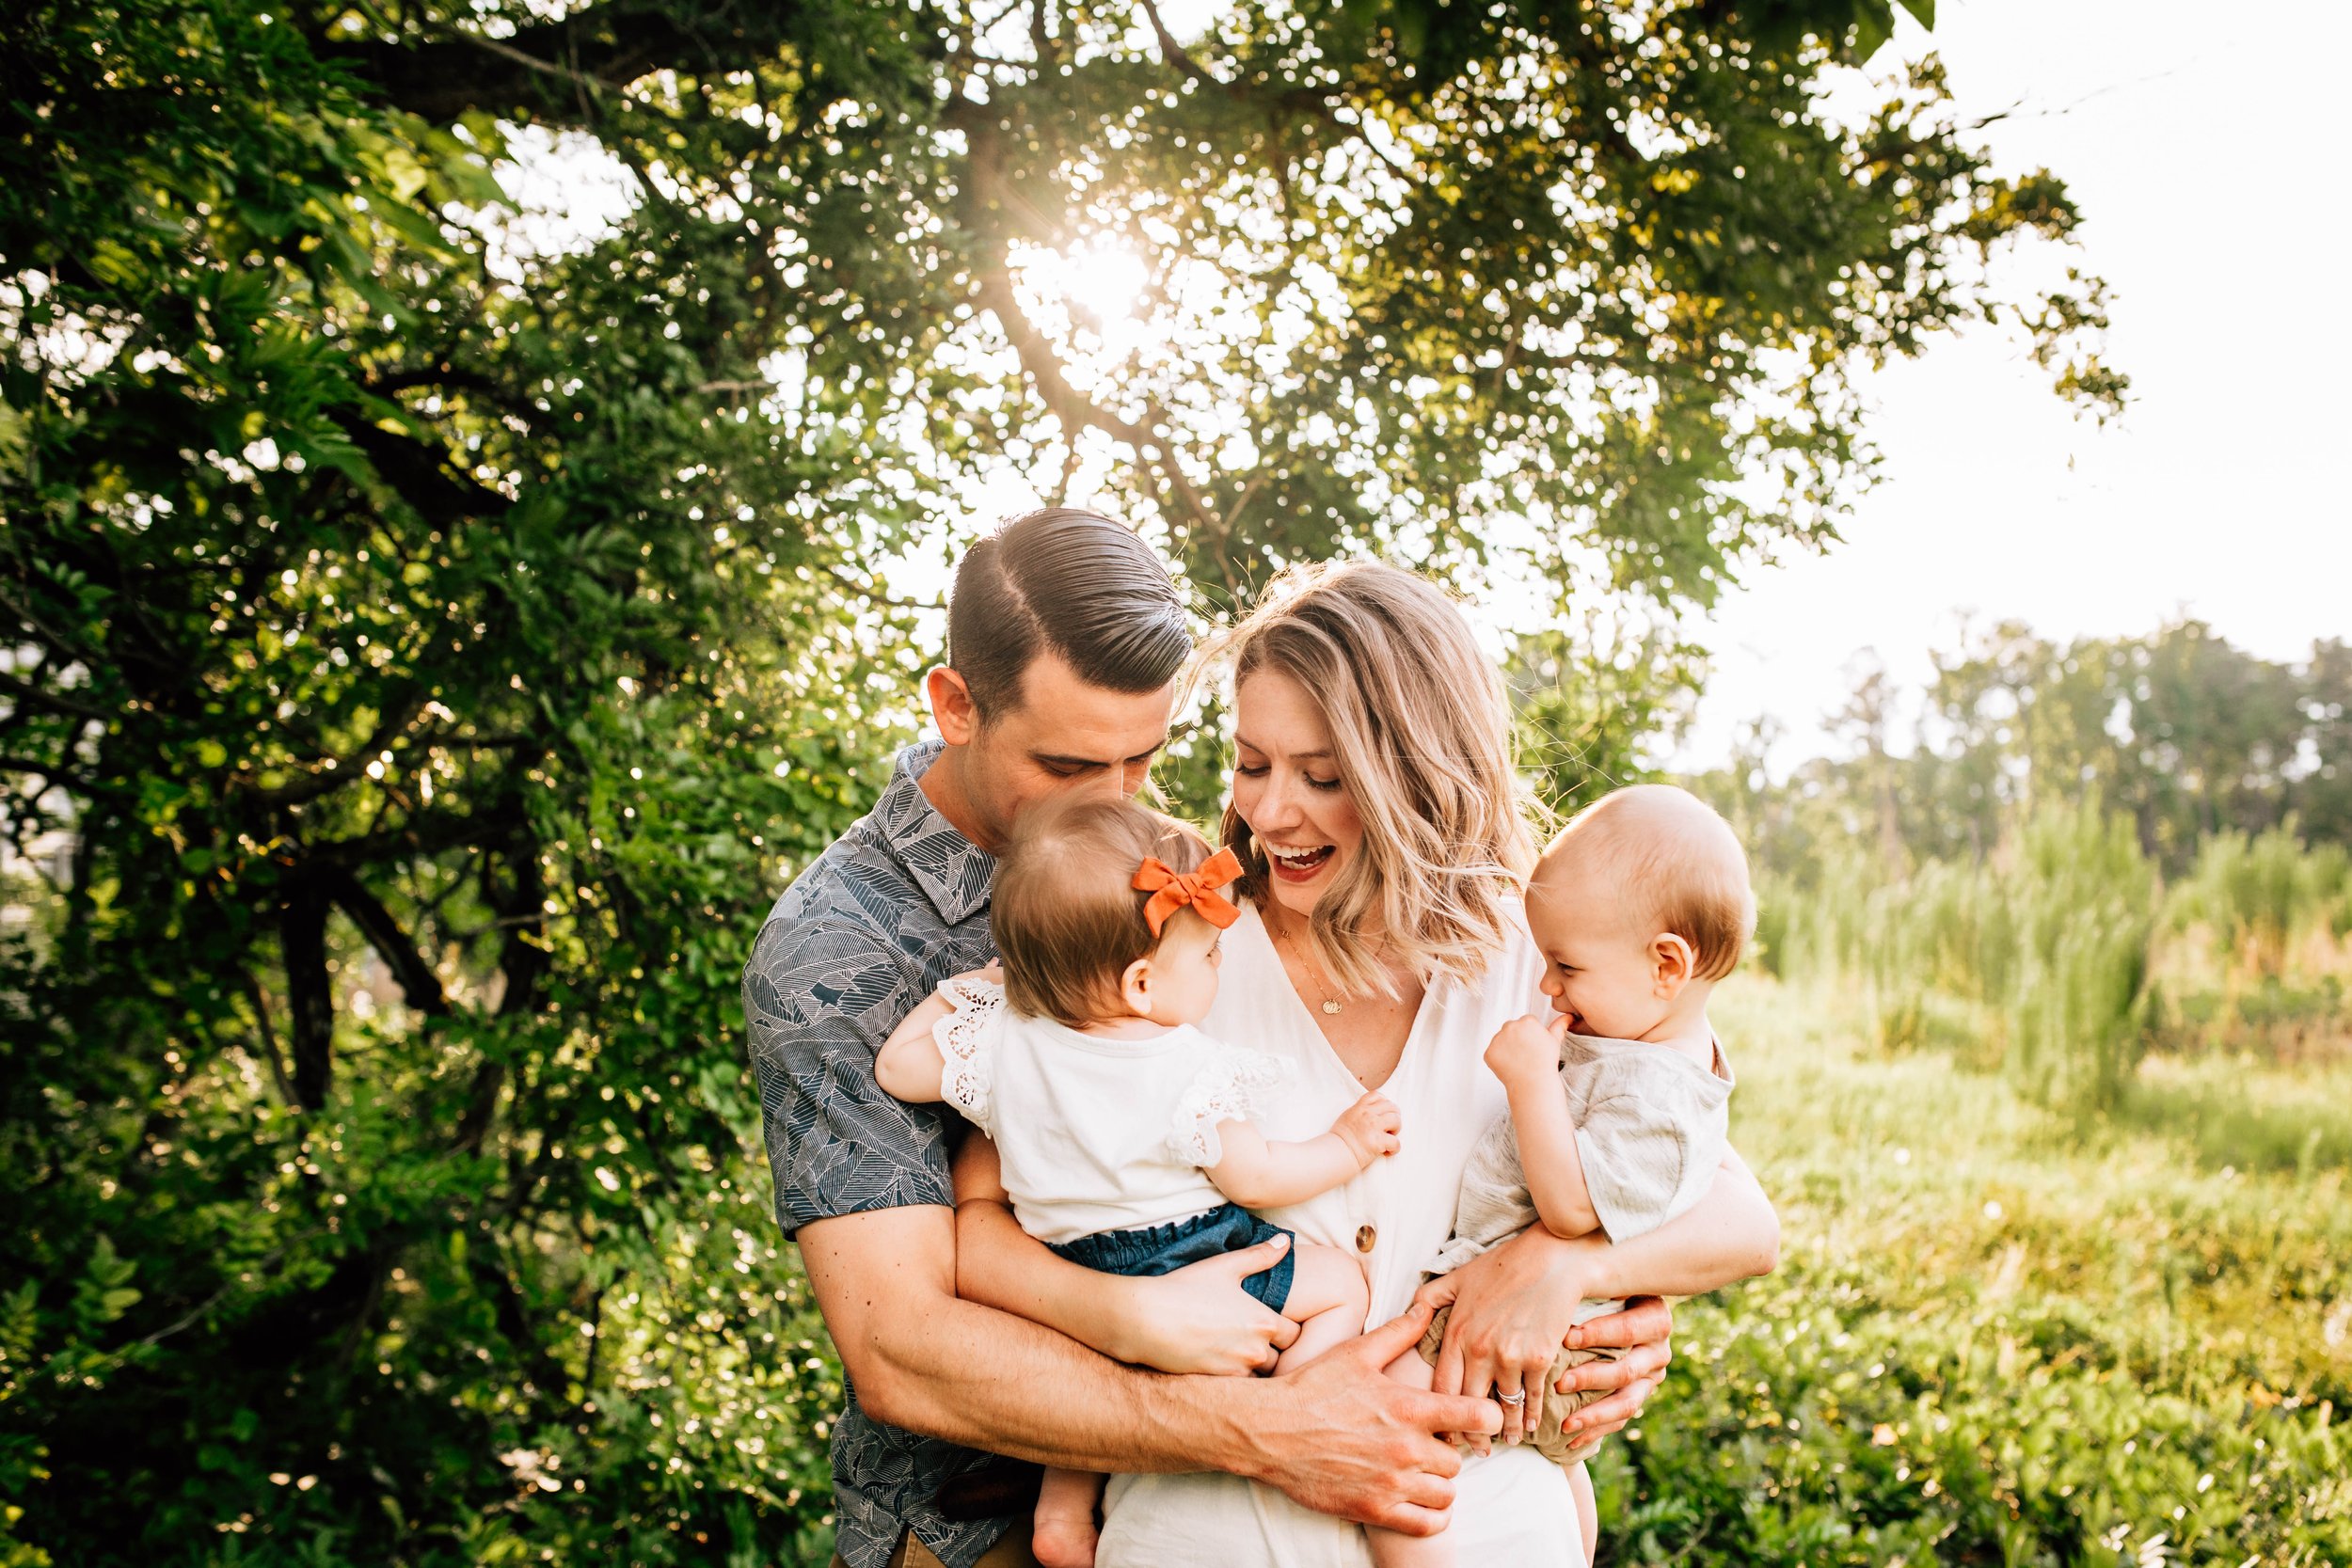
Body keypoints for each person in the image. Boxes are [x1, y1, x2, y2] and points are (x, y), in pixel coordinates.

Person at [742, 513, 1740, 1568]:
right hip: (997, 1516)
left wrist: (1561, 1268)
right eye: (1251, 763)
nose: (1119, 807)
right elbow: (909, 1332)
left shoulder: (1512, 964)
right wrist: (1163, 1337)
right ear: (955, 707)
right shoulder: (903, 946)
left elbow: (1704, 1182)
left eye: (1152, 761)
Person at [872, 795, 1401, 1567]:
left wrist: (978, 989)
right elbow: (1256, 1175)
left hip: (1072, 1272)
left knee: (1092, 1390)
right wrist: (1347, 1145)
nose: (1221, 966)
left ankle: (1060, 1515)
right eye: (1209, 956)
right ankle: (1286, 1402)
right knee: (1340, 1283)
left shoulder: (1003, 1044)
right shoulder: (1188, 1067)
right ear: (1145, 986)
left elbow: (898, 1064)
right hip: (1195, 1255)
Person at [1374, 784, 1752, 1568]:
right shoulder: (1648, 1048)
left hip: (1523, 1328)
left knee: (1394, 1440)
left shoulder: (1659, 1092)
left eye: (1567, 966)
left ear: (1666, 965)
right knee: (1560, 1469)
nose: (1546, 985)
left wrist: (1531, 1080)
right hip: (1550, 1339)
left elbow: (1573, 1207)